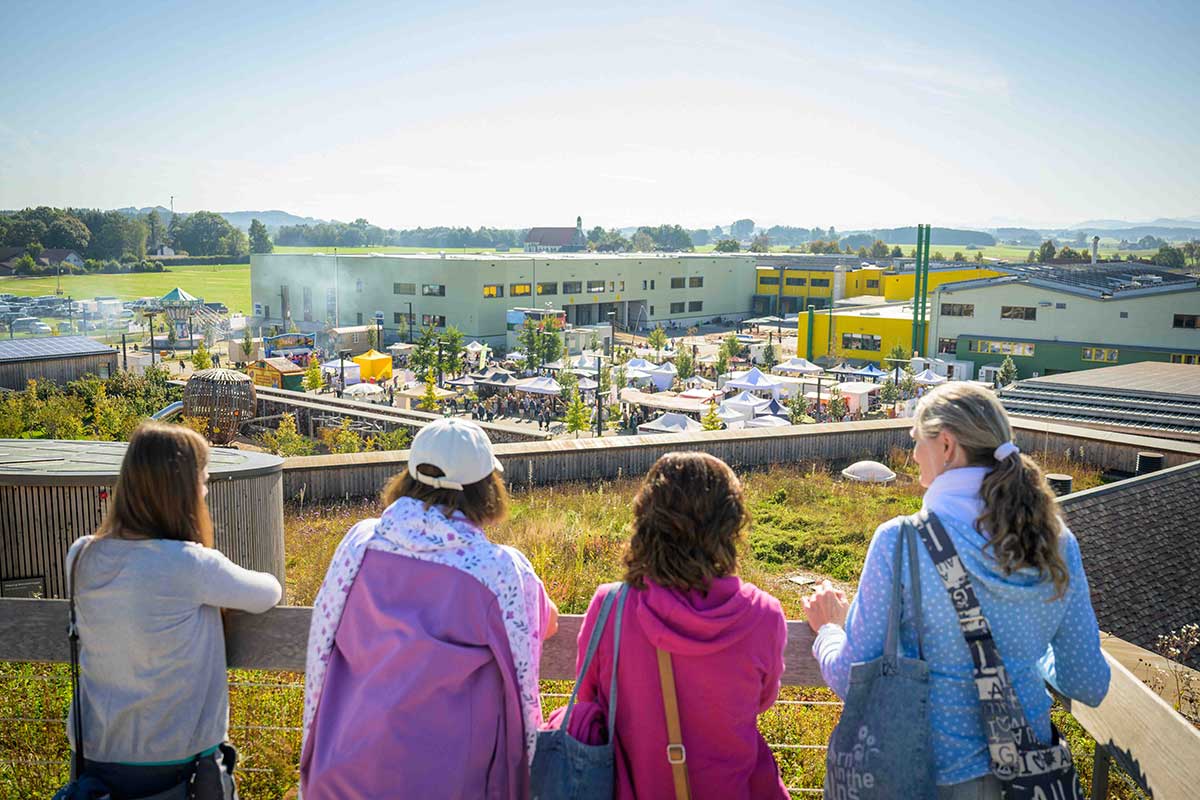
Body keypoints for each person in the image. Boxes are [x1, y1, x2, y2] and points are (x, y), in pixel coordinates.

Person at [804, 382, 1110, 799]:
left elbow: (849, 676)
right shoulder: (1056, 542)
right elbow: (1088, 682)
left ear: (946, 445)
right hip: (1027, 780)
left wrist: (829, 630)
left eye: (916, 440)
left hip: (927, 781)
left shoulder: (902, 541)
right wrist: (1021, 656)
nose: (912, 455)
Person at [301, 418, 558, 799]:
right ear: (486, 488)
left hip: (346, 766)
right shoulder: (497, 570)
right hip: (445, 779)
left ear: (408, 477)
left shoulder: (360, 544)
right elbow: (545, 622)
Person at [64, 422, 282, 797]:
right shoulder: (191, 565)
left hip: (96, 757)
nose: (205, 490)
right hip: (176, 765)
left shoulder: (81, 554)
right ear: (182, 490)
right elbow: (269, 592)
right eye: (203, 480)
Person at [574, 452, 789, 800]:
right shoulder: (764, 615)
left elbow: (588, 699)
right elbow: (761, 701)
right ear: (730, 525)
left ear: (645, 519)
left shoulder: (610, 606)